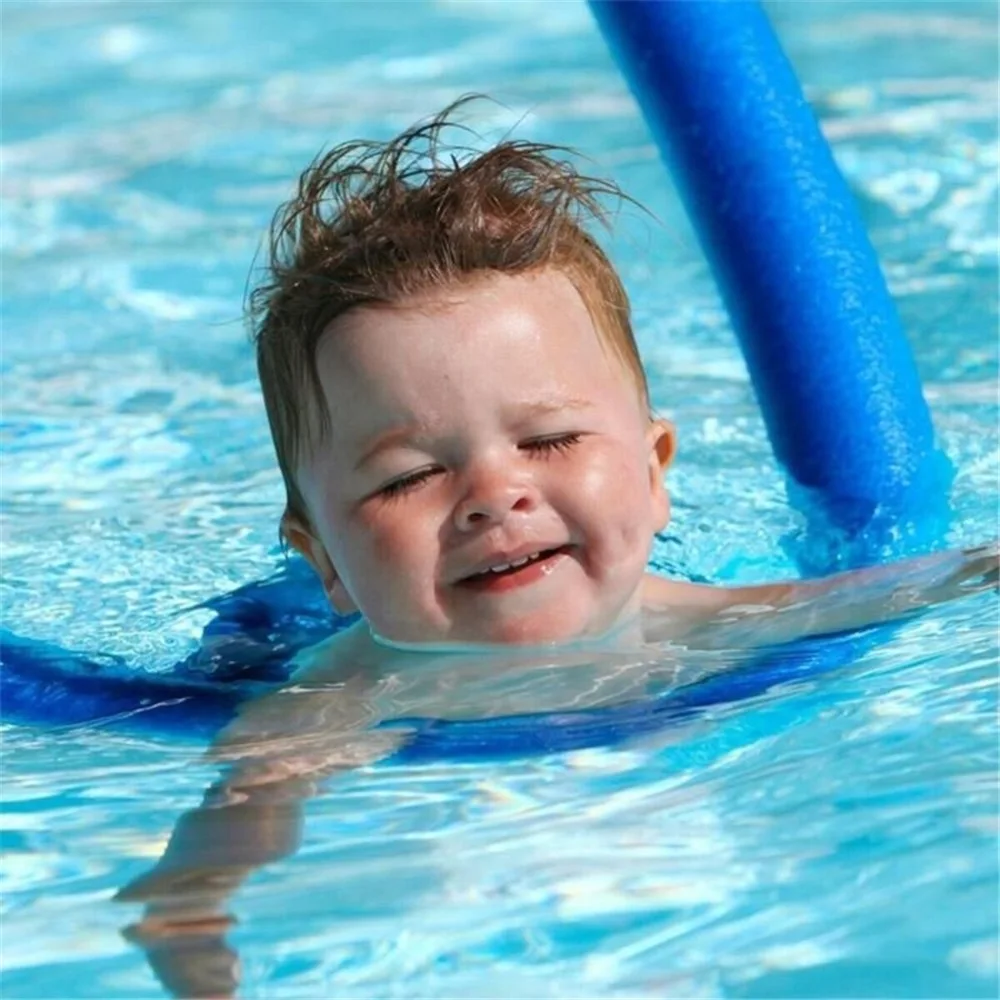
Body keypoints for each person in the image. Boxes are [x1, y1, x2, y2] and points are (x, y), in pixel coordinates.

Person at [115, 99, 997, 998]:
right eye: (407, 477)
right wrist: (195, 910)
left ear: (655, 474)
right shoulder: (337, 703)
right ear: (327, 562)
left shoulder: (706, 626)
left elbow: (911, 588)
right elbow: (225, 834)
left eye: (549, 442)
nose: (497, 496)